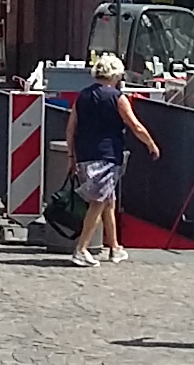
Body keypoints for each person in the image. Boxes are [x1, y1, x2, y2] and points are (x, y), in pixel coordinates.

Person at [65, 51, 160, 267]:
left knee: (109, 200)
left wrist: (71, 156)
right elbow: (135, 125)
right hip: (107, 156)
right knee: (98, 202)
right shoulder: (118, 97)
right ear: (116, 75)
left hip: (85, 154)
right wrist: (151, 144)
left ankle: (115, 247)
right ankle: (81, 249)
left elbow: (71, 128)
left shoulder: (82, 96)